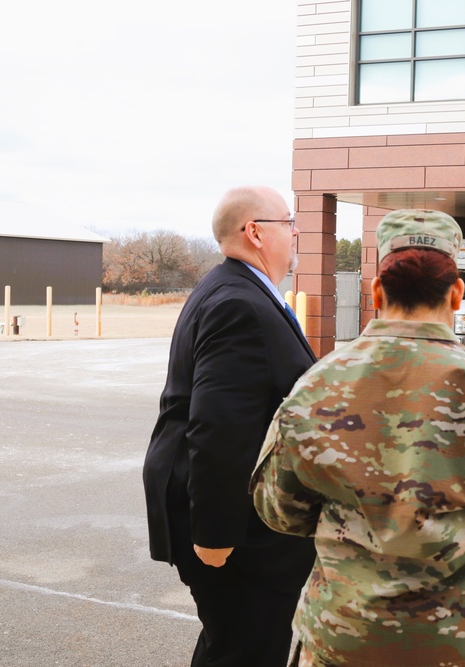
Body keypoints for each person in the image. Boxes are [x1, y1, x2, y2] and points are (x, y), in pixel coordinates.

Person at [251, 209, 465, 667]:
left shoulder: (315, 385)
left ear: (376, 291)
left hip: (345, 639)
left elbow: (279, 510)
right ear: (457, 294)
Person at [143, 185, 319, 667]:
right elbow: (219, 429)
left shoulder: (236, 290)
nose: (297, 230)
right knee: (245, 650)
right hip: (237, 533)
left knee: (233, 645)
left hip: (235, 525)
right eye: (289, 221)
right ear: (256, 232)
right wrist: (216, 536)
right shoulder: (239, 303)